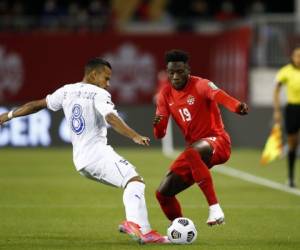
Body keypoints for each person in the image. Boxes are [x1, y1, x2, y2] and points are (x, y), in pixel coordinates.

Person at [0, 57, 169, 244]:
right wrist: (134, 135)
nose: (108, 83)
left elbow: (36, 105)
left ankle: (143, 232)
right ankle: (138, 227)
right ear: (93, 74)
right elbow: (111, 117)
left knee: (131, 181)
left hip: (81, 160)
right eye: (106, 78)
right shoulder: (98, 94)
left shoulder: (66, 90)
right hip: (97, 153)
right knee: (134, 182)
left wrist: (7, 115)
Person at [153, 50, 248, 226]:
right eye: (171, 72)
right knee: (163, 194)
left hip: (217, 141)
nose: (175, 76)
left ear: (188, 70)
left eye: (179, 71)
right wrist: (157, 124)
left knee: (191, 153)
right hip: (195, 150)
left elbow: (220, 96)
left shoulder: (201, 84)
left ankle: (215, 209)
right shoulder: (164, 95)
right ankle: (180, 228)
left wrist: (236, 106)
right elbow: (160, 135)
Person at [273, 47, 300, 188]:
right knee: (292, 143)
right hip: (293, 109)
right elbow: (276, 89)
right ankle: (290, 177)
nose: (299, 58)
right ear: (292, 57)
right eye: (297, 55)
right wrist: (277, 110)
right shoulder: (286, 71)